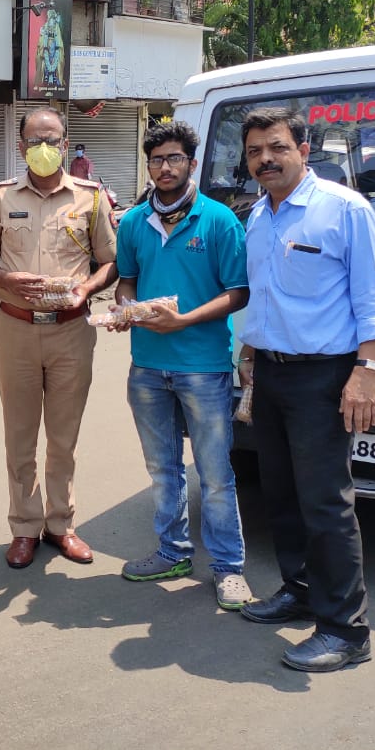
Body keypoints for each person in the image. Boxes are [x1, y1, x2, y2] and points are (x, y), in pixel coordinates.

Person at [236, 107, 375, 673]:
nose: (266, 159)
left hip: (324, 377)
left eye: (277, 147)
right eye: (255, 150)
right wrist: (251, 354)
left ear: (303, 148)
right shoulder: (259, 216)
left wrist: (365, 373)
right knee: (280, 493)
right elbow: (265, 296)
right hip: (274, 373)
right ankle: (299, 590)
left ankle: (346, 630)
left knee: (326, 503)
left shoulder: (344, 210)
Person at [109, 121, 252, 610]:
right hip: (147, 364)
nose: (164, 168)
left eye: (173, 159)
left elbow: (239, 292)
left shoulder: (218, 220)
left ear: (192, 163)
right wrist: (126, 309)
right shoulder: (132, 222)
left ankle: (229, 569)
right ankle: (172, 551)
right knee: (161, 468)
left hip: (203, 365)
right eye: (156, 160)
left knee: (215, 474)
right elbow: (126, 280)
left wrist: (185, 319)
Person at [0, 107, 117, 569]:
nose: (43, 148)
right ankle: (23, 527)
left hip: (71, 331)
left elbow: (110, 261)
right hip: (14, 326)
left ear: (65, 142)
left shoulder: (92, 198)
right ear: (20, 147)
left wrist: (88, 289)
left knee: (63, 436)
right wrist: (7, 281)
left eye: (51, 140)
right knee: (19, 434)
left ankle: (60, 524)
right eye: (34, 141)